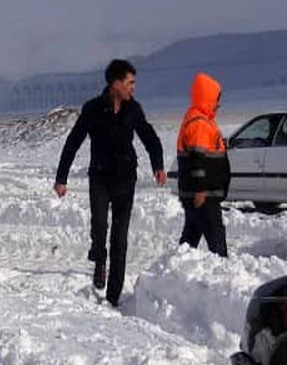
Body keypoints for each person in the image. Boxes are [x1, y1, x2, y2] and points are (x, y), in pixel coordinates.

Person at [54, 59, 166, 306]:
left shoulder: (133, 109)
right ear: (116, 83)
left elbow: (150, 137)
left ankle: (113, 296)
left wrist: (157, 164)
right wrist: (61, 178)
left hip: (126, 179)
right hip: (100, 177)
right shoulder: (92, 109)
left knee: (120, 237)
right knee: (100, 224)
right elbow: (73, 142)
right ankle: (99, 258)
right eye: (130, 82)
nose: (133, 87)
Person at [176, 72, 229, 256]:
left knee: (190, 240)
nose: (218, 103)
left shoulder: (202, 119)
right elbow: (198, 160)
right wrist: (200, 190)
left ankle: (174, 272)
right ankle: (224, 274)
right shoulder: (199, 123)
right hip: (202, 195)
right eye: (216, 98)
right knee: (216, 241)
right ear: (208, 97)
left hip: (199, 193)